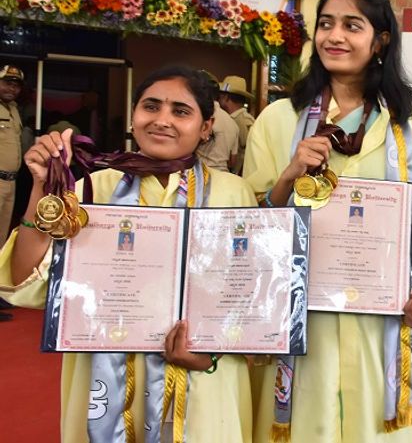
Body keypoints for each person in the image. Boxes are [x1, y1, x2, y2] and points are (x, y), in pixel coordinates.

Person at [0, 66, 257, 442]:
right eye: (150, 106)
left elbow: (247, 300)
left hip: (201, 378)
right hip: (106, 374)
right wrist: (42, 187)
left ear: (206, 126)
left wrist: (209, 356)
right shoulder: (92, 188)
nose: (162, 120)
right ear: (134, 114)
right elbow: (25, 279)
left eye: (181, 111)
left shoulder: (234, 194)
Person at [243, 0, 412, 441]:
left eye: (353, 25)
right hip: (302, 315)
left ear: (381, 41)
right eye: (326, 24)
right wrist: (288, 176)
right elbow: (251, 228)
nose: (335, 36)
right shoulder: (278, 119)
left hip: (383, 317)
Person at [195, 71, 240, 172]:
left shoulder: (199, 117)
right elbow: (233, 161)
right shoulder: (232, 123)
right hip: (224, 176)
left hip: (199, 175)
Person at [0, 65, 23, 246]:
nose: (11, 89)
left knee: (2, 234)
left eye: (16, 85)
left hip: (10, 182)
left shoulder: (13, 109)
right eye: (7, 83)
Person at [218, 75, 256, 175]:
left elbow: (250, 152)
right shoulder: (232, 118)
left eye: (221, 96)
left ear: (226, 98)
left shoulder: (244, 121)